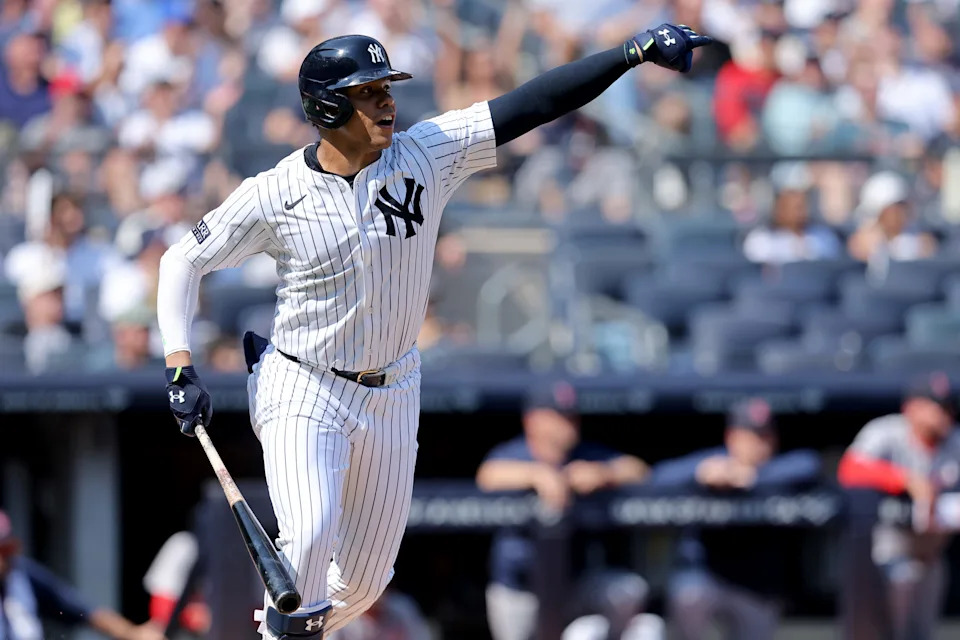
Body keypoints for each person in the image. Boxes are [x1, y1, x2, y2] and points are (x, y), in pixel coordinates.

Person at [157, 27, 714, 639]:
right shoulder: (274, 194)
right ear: (325, 107)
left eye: (385, 89)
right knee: (310, 535)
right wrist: (180, 364)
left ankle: (289, 628)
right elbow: (181, 261)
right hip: (302, 383)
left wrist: (629, 53)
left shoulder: (425, 152)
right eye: (367, 93)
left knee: (365, 582)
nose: (386, 102)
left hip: (393, 385)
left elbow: (530, 104)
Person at [476, 381, 649, 640]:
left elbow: (640, 471)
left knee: (628, 593)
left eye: (572, 415)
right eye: (559, 416)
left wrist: (604, 473)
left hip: (574, 584)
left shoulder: (586, 455)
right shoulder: (514, 454)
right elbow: (486, 476)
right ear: (533, 420)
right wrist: (536, 475)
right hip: (518, 589)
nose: (570, 423)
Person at [649, 398, 821, 640]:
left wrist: (753, 477)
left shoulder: (783, 469)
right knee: (690, 595)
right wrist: (701, 473)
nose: (760, 444)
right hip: (706, 578)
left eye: (766, 436)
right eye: (752, 436)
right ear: (732, 437)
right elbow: (658, 476)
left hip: (756, 585)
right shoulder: (713, 462)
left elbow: (810, 465)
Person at [837, 371, 960, 640]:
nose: (943, 414)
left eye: (947, 406)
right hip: (890, 542)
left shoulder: (955, 442)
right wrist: (905, 479)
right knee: (887, 625)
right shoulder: (887, 431)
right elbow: (849, 469)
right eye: (935, 406)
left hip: (931, 549)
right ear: (911, 407)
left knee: (920, 631)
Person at [0, 509, 166, 640]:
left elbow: (84, 611)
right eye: (3, 551)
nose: (9, 557)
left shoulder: (22, 574)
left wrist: (132, 633)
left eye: (11, 549)